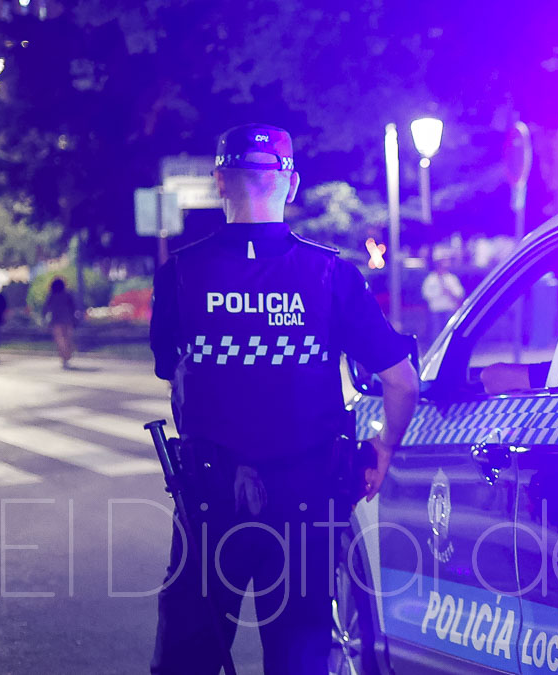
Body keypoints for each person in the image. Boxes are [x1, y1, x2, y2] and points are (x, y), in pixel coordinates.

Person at [148, 123, 420, 675]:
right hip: (309, 496)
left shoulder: (180, 274)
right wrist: (384, 448)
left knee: (188, 660)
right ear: (290, 185)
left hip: (210, 497)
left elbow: (170, 370)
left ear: (220, 181)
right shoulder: (332, 275)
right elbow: (402, 381)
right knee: (298, 657)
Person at [420, 256, 464, 339]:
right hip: (436, 309)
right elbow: (425, 294)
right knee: (436, 333)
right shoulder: (431, 279)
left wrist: (450, 292)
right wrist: (439, 293)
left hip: (449, 308)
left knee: (449, 332)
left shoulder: (451, 278)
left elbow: (460, 293)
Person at [42, 277, 78, 368]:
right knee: (67, 338)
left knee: (60, 339)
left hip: (56, 320)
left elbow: (46, 307)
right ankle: (67, 356)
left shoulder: (51, 295)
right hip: (67, 319)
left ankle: (64, 357)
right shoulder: (67, 294)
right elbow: (73, 306)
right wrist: (74, 316)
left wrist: (44, 317)